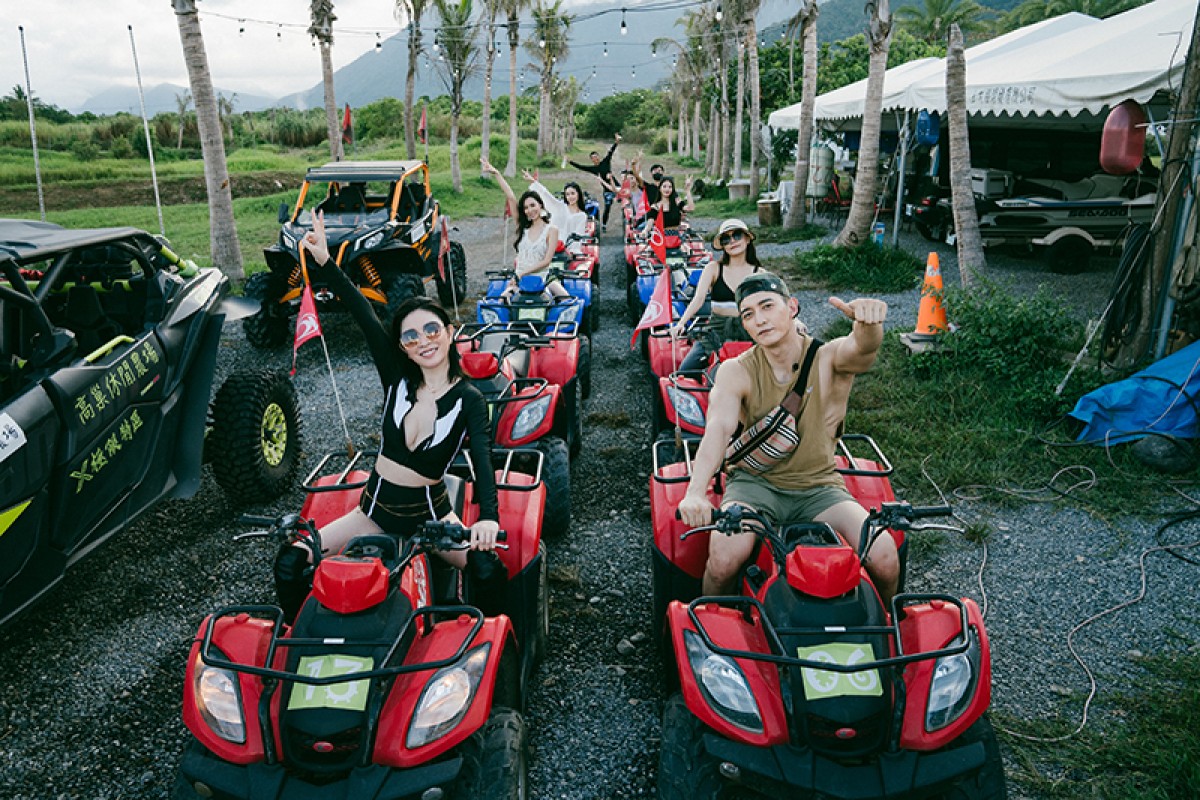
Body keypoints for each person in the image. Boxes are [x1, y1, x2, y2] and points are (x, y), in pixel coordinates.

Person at [273, 210, 502, 621]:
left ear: (450, 333)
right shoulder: (396, 377)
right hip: (373, 512)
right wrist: (326, 262)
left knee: (489, 570)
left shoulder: (469, 398)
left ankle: (480, 653)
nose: (423, 342)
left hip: (431, 520)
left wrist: (488, 518)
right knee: (290, 562)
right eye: (411, 336)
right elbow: (364, 314)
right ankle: (293, 647)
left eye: (432, 330)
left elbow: (483, 461)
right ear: (402, 347)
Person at [676, 272, 899, 604]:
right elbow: (719, 429)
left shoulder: (827, 356)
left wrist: (868, 324)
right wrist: (695, 493)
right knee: (723, 560)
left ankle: (886, 633)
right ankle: (713, 635)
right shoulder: (736, 369)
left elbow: (862, 350)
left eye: (767, 306)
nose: (759, 320)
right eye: (748, 314)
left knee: (883, 554)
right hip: (754, 485)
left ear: (792, 307)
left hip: (819, 486)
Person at [671, 219, 762, 372]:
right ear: (723, 246)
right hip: (716, 330)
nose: (732, 241)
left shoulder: (759, 273)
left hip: (749, 330)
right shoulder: (713, 268)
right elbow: (699, 299)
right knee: (686, 370)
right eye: (726, 239)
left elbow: (776, 302)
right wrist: (681, 323)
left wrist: (794, 321)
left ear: (747, 239)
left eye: (737, 235)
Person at [481, 159, 568, 298]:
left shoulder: (552, 230)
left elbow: (546, 261)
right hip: (519, 281)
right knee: (501, 302)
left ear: (540, 205)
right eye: (526, 208)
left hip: (543, 279)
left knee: (566, 300)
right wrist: (496, 173)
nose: (530, 210)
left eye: (533, 205)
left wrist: (522, 273)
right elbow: (510, 196)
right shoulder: (523, 227)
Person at [523, 169, 590, 254]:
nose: (570, 197)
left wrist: (572, 251)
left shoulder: (582, 216)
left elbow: (578, 234)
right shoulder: (560, 207)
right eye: (567, 194)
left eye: (573, 193)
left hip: (569, 251)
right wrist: (533, 181)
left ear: (578, 194)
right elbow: (546, 195)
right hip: (551, 246)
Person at [568, 132, 621, 232]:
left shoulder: (605, 162)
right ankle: (604, 225)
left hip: (616, 185)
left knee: (625, 200)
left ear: (599, 157)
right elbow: (581, 167)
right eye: (593, 158)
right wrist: (570, 162)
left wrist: (616, 142)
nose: (595, 159)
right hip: (607, 190)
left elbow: (611, 152)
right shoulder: (593, 169)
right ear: (592, 160)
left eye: (596, 157)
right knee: (608, 207)